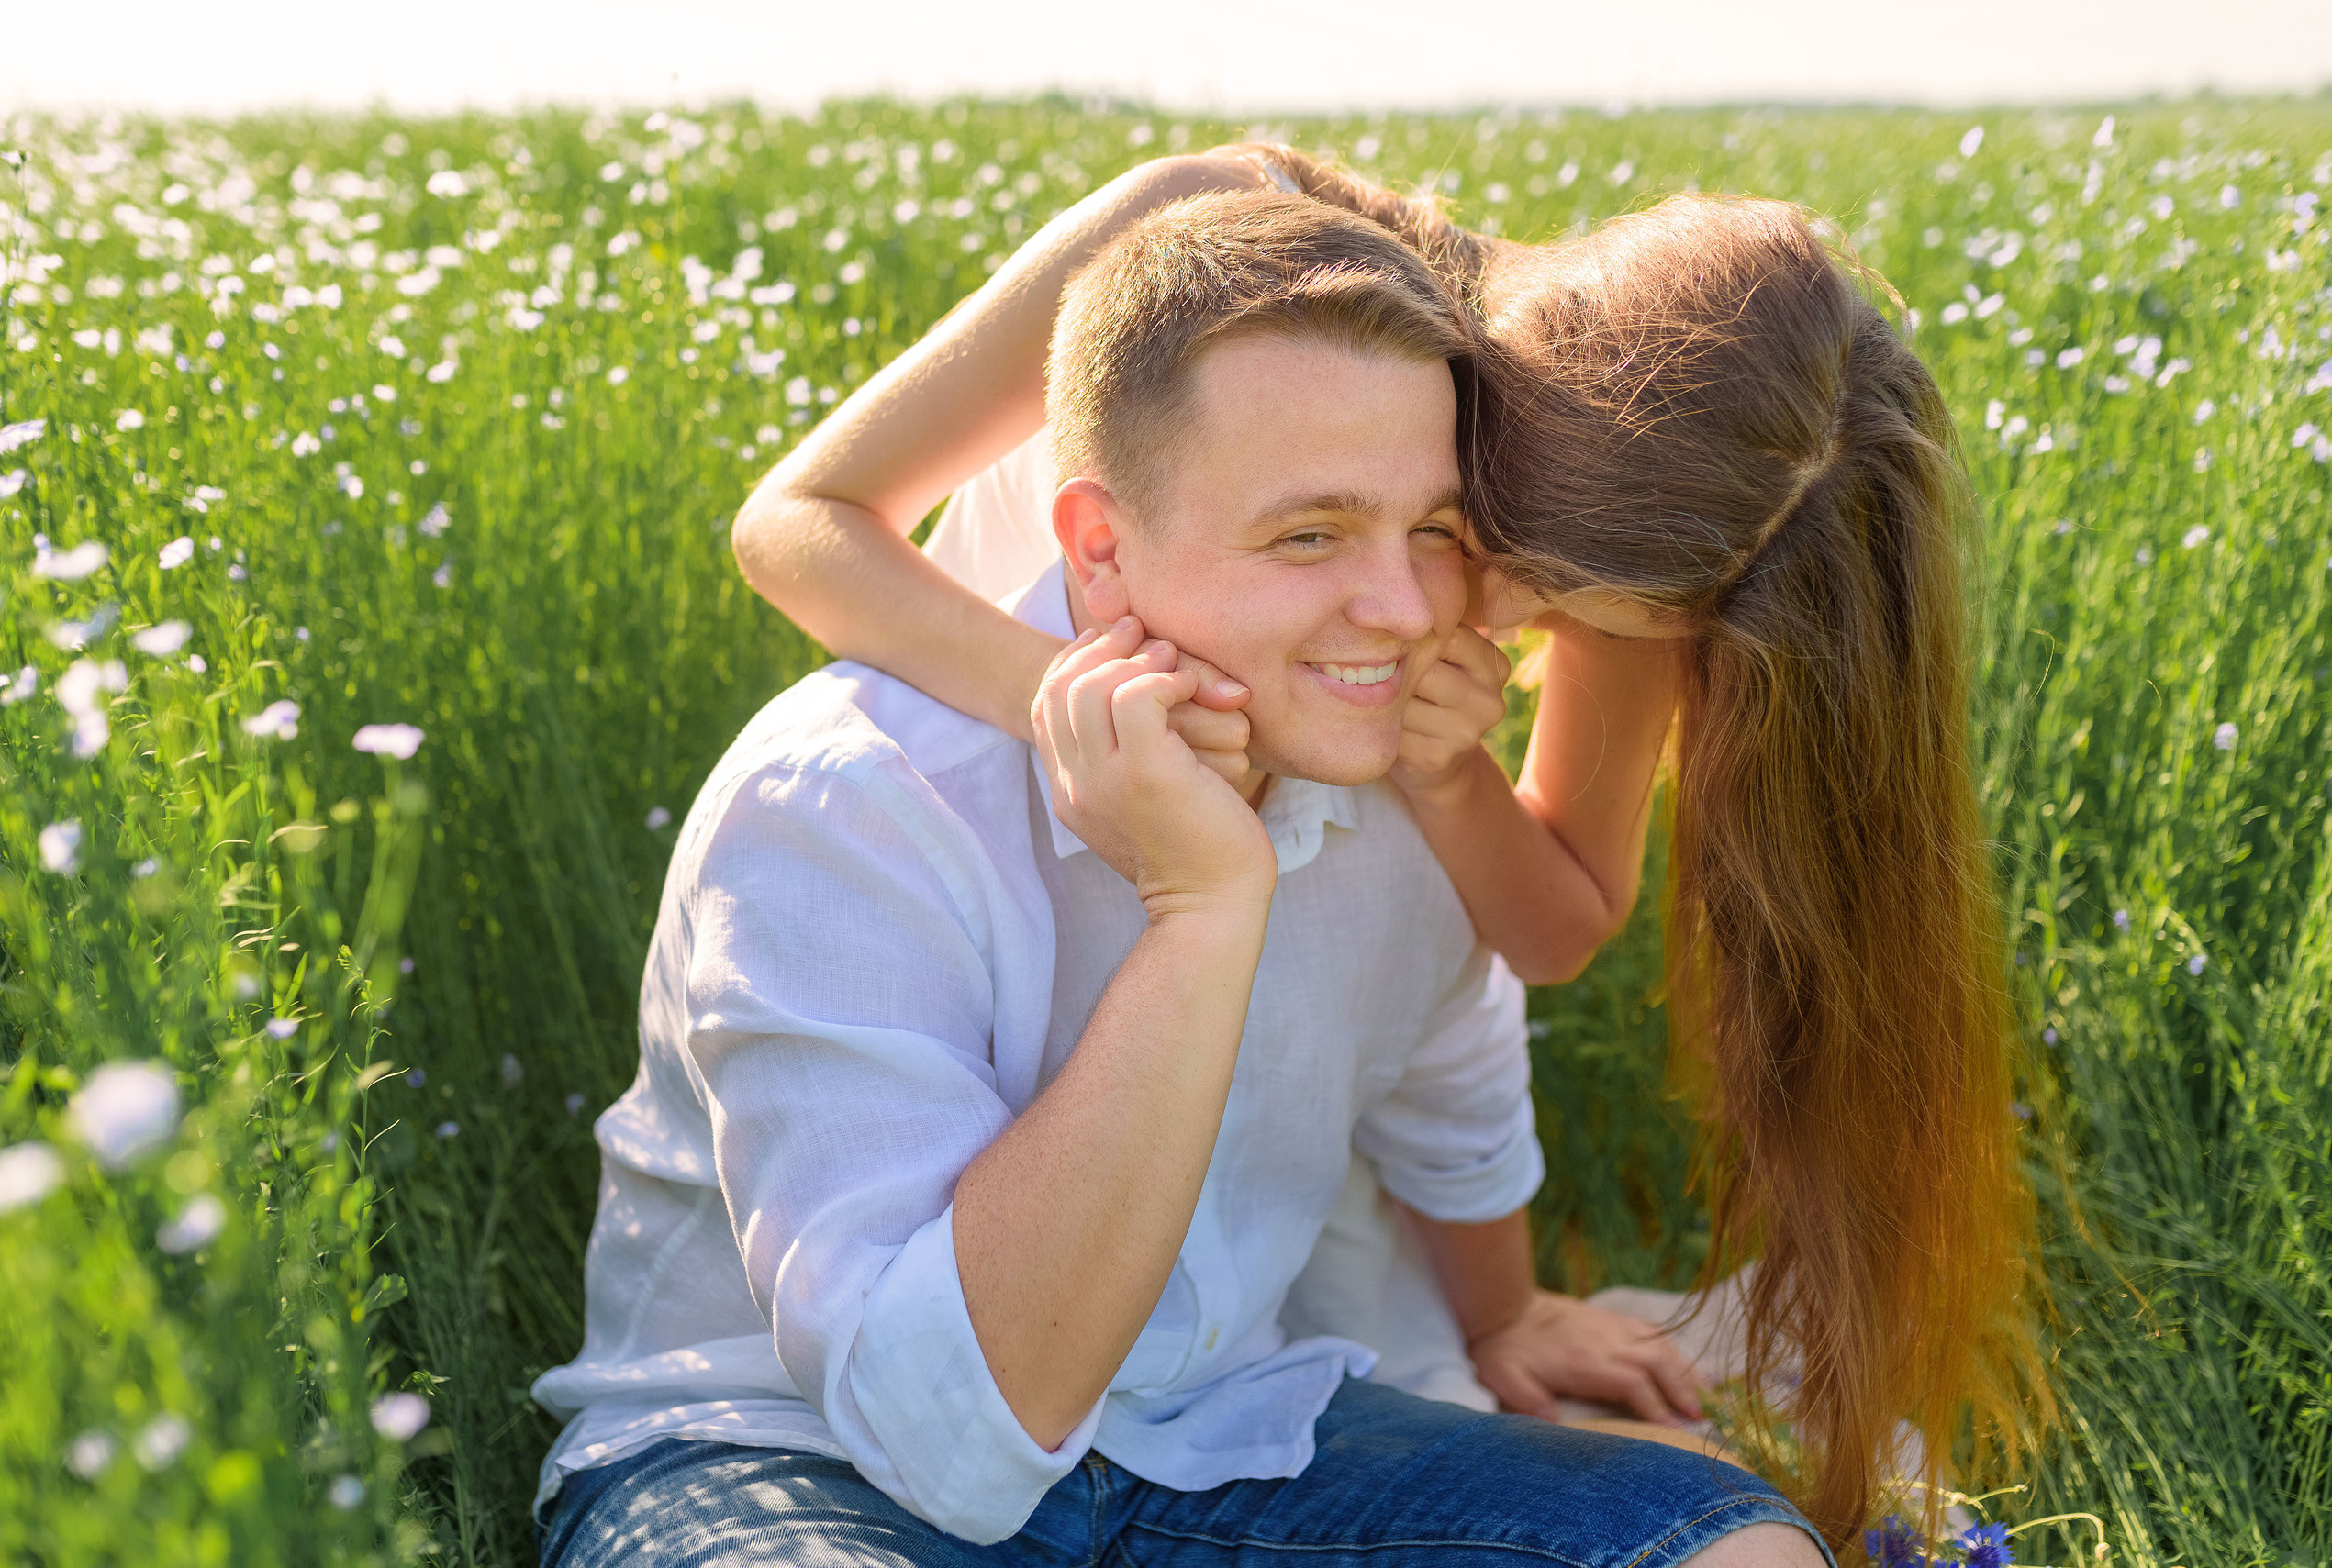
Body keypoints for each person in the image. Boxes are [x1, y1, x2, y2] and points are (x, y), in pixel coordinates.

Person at [731, 146, 2039, 1545]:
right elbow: (799, 522)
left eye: (1554, 611)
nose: (1452, 615)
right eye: (1501, 557)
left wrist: (1457, 774)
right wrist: (1097, 719)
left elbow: (1548, 925)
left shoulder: (1671, 535)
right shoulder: (1213, 243)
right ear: (1513, 434)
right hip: (994, 904)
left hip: (1272, 1029)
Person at [532, 189, 1824, 1568]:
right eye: (1311, 535)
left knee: (1736, 1547)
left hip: (1219, 1437)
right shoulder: (844, 802)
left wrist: (1504, 1318)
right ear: (1096, 548)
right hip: (790, 1458)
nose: (1400, 613)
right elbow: (949, 1439)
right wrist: (1204, 899)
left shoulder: (1396, 767)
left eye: (1439, 535)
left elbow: (1454, 1061)